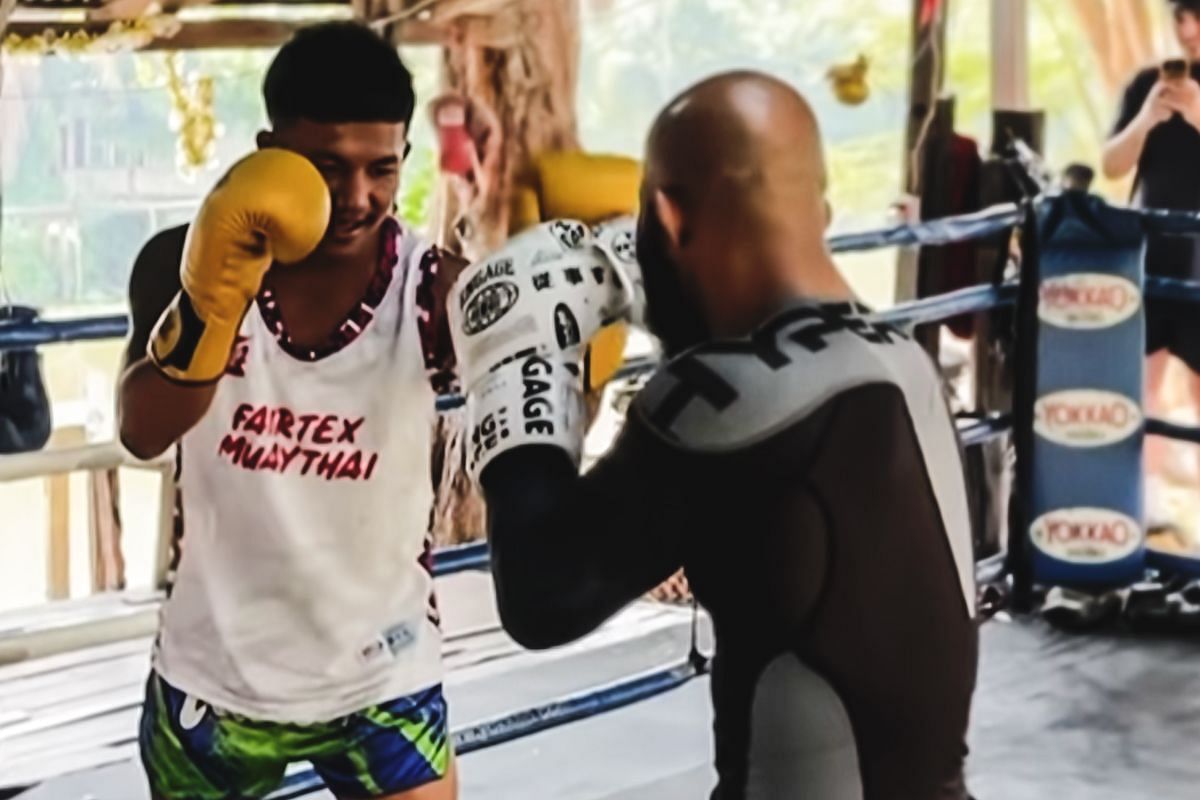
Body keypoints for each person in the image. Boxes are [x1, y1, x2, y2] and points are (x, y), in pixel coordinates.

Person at [450, 71, 978, 799]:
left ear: (668, 218)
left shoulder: (725, 404)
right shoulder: (901, 361)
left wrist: (517, 367)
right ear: (818, 206)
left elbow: (541, 597)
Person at [118, 22, 461, 800]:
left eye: (382, 168)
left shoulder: (432, 287)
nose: (358, 197)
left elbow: (534, 416)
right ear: (268, 149)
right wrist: (214, 299)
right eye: (326, 168)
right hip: (216, 669)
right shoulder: (180, 259)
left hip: (382, 668)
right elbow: (142, 429)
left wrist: (566, 347)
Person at [1103, 0, 1200, 518]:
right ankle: (1145, 513)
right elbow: (1112, 164)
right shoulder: (1146, 84)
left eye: (1196, 18)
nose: (1187, 32)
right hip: (1151, 252)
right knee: (1140, 388)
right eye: (1179, 21)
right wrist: (1147, 118)